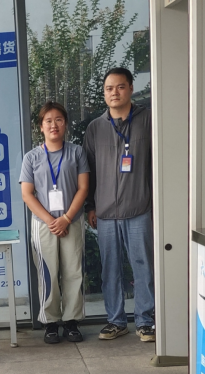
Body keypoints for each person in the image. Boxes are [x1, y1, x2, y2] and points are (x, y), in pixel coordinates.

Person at [83, 67, 155, 342]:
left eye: (120, 87)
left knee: (143, 266)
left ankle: (145, 321)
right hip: (105, 213)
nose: (114, 92)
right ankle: (116, 321)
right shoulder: (95, 128)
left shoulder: (148, 120)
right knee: (109, 270)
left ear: (131, 88)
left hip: (139, 208)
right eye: (109, 88)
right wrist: (90, 206)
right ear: (104, 93)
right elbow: (89, 171)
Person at [20, 101, 90, 344]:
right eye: (48, 121)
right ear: (41, 127)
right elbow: (27, 194)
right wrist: (51, 220)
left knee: (73, 271)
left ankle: (72, 321)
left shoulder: (76, 152)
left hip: (72, 221)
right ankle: (50, 322)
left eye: (58, 120)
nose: (53, 125)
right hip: (44, 224)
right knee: (47, 272)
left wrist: (66, 218)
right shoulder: (31, 157)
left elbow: (83, 188)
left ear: (65, 124)